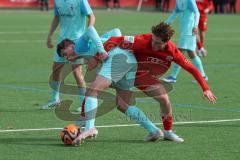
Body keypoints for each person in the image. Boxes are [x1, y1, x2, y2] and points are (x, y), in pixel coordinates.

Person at [61, 22, 216, 144]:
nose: (153, 44)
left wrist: (205, 88)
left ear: (166, 42)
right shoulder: (143, 40)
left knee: (163, 100)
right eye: (153, 40)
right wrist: (97, 55)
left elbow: (191, 68)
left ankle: (167, 132)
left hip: (141, 75)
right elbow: (117, 38)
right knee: (111, 99)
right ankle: (152, 130)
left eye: (157, 43)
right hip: (129, 68)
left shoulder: (173, 51)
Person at [57, 27, 164, 143]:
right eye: (64, 57)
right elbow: (116, 31)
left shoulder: (78, 45)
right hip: (130, 61)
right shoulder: (85, 51)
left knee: (92, 91)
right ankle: (154, 130)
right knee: (123, 105)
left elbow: (90, 30)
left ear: (70, 46)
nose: (66, 58)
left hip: (118, 59)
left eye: (65, 54)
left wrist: (101, 50)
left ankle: (90, 128)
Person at [42, 0, 95, 110]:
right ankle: (55, 99)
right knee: (56, 69)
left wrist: (88, 33)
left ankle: (84, 104)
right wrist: (50, 35)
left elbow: (91, 16)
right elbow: (56, 17)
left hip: (77, 41)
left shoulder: (81, 1)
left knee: (77, 72)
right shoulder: (58, 1)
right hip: (62, 42)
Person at [162, 0, 208, 83]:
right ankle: (203, 75)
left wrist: (195, 26)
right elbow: (175, 13)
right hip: (184, 29)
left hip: (189, 30)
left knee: (179, 53)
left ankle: (173, 76)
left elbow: (197, 12)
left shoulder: (189, 1)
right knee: (191, 53)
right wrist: (165, 24)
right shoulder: (178, 1)